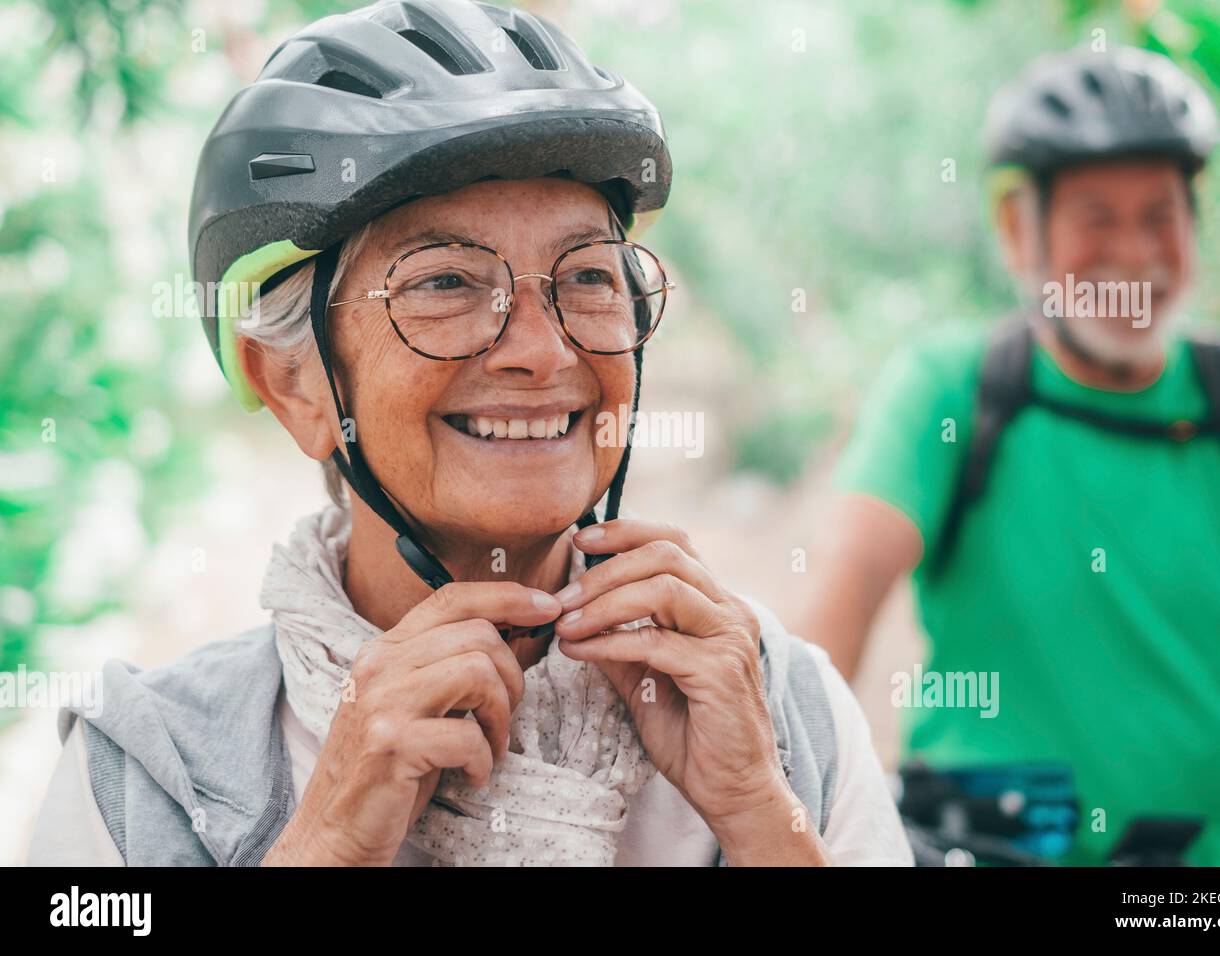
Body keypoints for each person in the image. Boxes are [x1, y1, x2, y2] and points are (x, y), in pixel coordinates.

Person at [25, 0, 911, 867]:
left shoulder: (781, 711)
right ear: (293, 383)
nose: (542, 348)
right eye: (446, 281)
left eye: (590, 277)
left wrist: (760, 815)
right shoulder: (145, 772)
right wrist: (326, 842)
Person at [804, 45, 1220, 865]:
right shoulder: (954, 389)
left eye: (1160, 217)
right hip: (987, 849)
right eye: (1096, 217)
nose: (1136, 255)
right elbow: (836, 612)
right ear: (1017, 230)